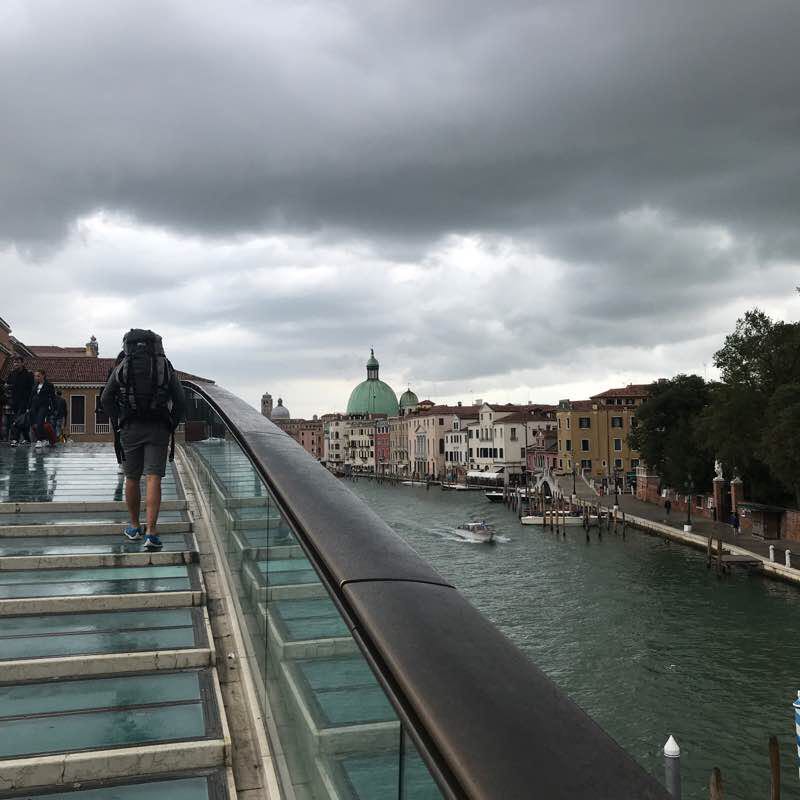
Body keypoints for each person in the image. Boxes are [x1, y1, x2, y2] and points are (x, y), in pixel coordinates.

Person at [101, 329, 185, 551]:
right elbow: (181, 400)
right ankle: (152, 531)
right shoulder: (164, 366)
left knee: (131, 477)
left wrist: (118, 419)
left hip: (130, 427)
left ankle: (134, 526)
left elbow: (106, 397)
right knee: (153, 477)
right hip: (158, 428)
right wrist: (170, 424)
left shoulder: (123, 366)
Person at [6, 356, 34, 445]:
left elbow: (32, 388)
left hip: (24, 401)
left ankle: (15, 439)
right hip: (14, 401)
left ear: (22, 363)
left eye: (17, 362)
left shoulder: (28, 374)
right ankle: (27, 438)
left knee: (16, 420)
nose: (16, 364)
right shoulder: (12, 374)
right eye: (14, 362)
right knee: (22, 420)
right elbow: (8, 384)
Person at [29, 370, 56, 448]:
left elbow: (53, 397)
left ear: (43, 376)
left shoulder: (49, 385)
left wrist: (54, 408)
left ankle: (39, 440)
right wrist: (28, 407)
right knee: (35, 424)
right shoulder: (34, 385)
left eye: (38, 376)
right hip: (34, 406)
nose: (36, 377)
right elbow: (31, 396)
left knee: (40, 421)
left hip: (44, 406)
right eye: (35, 376)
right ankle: (44, 439)